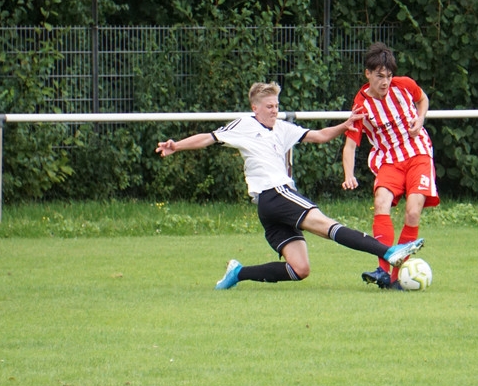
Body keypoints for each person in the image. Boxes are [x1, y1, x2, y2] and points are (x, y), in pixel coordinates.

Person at [155, 81, 423, 289]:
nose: (274, 110)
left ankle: (238, 273)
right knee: (328, 225)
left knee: (300, 269)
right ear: (255, 108)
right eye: (269, 106)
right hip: (275, 193)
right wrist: (176, 146)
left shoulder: (282, 128)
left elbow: (319, 136)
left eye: (276, 105)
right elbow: (208, 138)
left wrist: (346, 125)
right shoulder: (244, 125)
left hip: (270, 205)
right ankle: (389, 252)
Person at [341, 42, 439, 289]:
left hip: (418, 154)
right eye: (379, 76)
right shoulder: (361, 105)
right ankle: (383, 271)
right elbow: (350, 145)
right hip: (388, 160)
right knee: (380, 203)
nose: (385, 82)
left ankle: (397, 277)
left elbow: (423, 99)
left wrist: (420, 118)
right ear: (368, 74)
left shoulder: (404, 85)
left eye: (388, 76)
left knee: (413, 212)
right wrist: (348, 174)